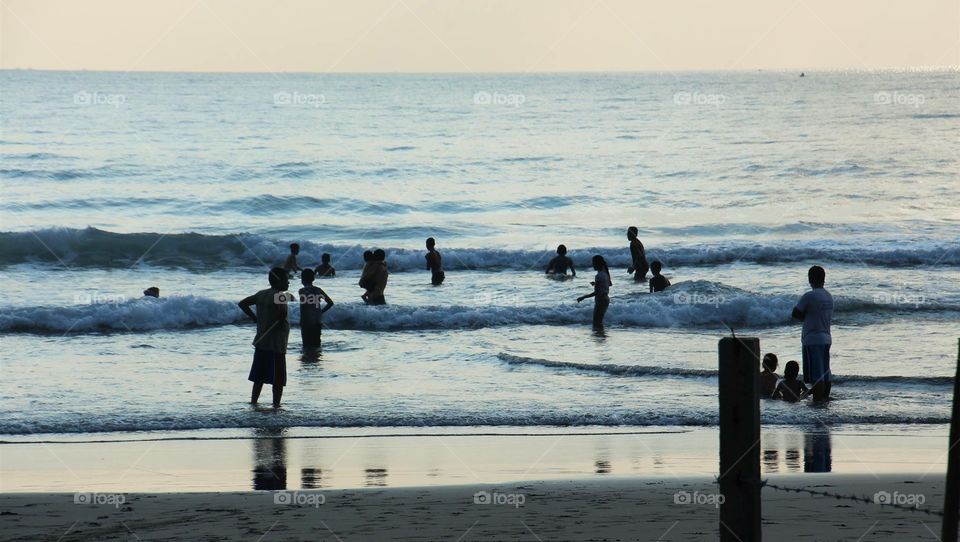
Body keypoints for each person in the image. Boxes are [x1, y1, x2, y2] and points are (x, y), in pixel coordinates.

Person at [238, 267, 291, 408]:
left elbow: (242, 303)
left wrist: (254, 318)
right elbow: (282, 314)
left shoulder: (261, 294)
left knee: (259, 377)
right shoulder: (280, 296)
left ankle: (254, 402)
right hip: (276, 343)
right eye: (287, 279)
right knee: (278, 379)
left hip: (261, 341)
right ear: (279, 281)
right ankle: (276, 405)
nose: (289, 282)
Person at [792, 265, 834, 402]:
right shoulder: (829, 296)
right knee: (825, 373)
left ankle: (818, 403)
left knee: (816, 376)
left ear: (810, 279)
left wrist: (806, 317)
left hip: (812, 339)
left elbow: (796, 314)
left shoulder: (809, 296)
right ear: (824, 279)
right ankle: (824, 400)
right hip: (826, 338)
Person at [298, 268, 333, 349]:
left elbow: (304, 306)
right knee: (317, 343)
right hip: (317, 320)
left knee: (306, 344)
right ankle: (316, 358)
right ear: (313, 279)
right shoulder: (318, 290)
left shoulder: (301, 291)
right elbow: (330, 303)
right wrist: (321, 311)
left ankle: (309, 358)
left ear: (302, 279)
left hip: (306, 321)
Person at [576, 255, 612, 330]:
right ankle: (601, 336)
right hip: (606, 299)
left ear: (598, 264)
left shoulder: (598, 276)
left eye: (594, 263)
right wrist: (596, 283)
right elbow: (608, 284)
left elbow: (596, 292)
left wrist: (583, 297)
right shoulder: (605, 274)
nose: (592, 265)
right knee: (599, 321)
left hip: (601, 300)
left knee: (596, 322)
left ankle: (599, 337)